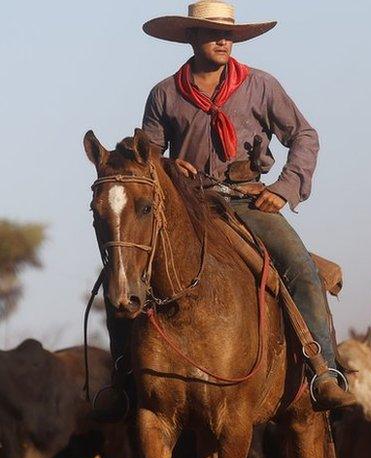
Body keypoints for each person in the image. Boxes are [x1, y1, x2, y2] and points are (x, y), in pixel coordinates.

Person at [118, 1, 354, 411]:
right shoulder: (163, 94)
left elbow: (304, 136)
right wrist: (170, 164)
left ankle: (324, 372)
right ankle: (123, 382)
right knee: (124, 274)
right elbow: (147, 159)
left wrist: (283, 188)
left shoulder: (261, 85)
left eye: (229, 33)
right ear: (191, 38)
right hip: (188, 205)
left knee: (299, 268)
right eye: (212, 33)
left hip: (248, 200)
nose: (224, 40)